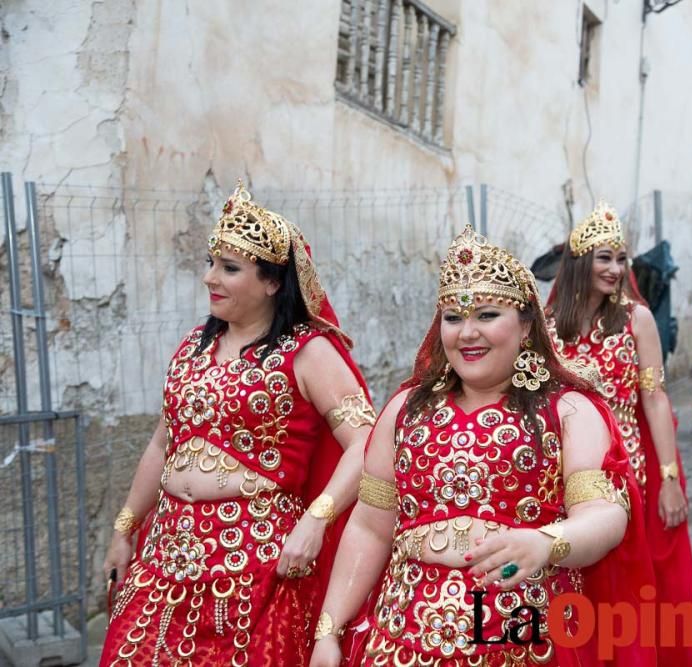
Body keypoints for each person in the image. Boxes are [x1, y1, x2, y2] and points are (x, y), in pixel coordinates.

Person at [309, 225, 656, 667]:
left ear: (527, 324)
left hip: (525, 643)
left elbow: (606, 515)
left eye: (487, 315)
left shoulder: (568, 410)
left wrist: (549, 542)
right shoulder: (404, 410)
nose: (467, 333)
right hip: (400, 644)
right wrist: (329, 631)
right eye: (453, 318)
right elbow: (370, 527)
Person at [99, 181, 375, 666]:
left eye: (229, 268)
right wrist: (125, 528)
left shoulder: (308, 353)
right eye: (210, 264)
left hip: (257, 567)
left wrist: (316, 521)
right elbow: (163, 445)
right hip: (164, 558)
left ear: (272, 282)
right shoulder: (192, 348)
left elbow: (366, 442)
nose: (210, 278)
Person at [545, 201, 692, 666]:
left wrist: (669, 477)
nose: (614, 269)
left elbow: (654, 398)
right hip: (561, 470)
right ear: (578, 261)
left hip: (626, 473)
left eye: (620, 259)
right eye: (603, 257)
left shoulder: (636, 319)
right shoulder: (546, 326)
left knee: (627, 584)